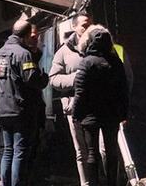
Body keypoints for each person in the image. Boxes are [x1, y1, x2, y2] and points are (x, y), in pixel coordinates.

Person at [0, 17, 50, 186]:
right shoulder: (23, 54)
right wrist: (44, 77)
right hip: (20, 110)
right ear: (25, 35)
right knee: (20, 152)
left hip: (2, 110)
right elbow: (32, 79)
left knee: (8, 151)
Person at [72, 24, 129, 186]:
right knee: (111, 151)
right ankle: (113, 182)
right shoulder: (116, 62)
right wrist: (123, 113)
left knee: (92, 152)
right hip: (112, 114)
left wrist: (76, 114)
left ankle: (94, 183)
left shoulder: (86, 62)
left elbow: (80, 92)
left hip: (91, 115)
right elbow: (123, 89)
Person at [50, 13, 91, 184]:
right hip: (74, 107)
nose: (87, 28)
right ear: (74, 27)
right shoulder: (64, 52)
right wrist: (76, 78)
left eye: (90, 24)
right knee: (81, 151)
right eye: (83, 25)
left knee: (102, 149)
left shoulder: (98, 46)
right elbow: (53, 79)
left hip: (97, 105)